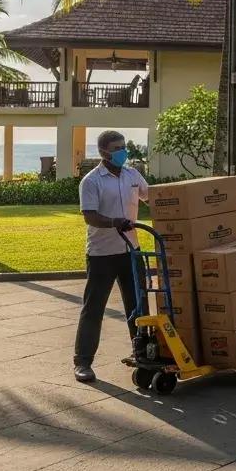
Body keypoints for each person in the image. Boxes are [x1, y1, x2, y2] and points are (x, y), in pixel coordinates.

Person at [74, 130, 149, 383]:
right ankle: (83, 362)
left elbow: (153, 198)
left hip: (131, 251)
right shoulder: (92, 181)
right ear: (103, 152)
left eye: (124, 147)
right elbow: (90, 216)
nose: (122, 152)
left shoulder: (132, 175)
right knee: (94, 308)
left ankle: (142, 352)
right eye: (117, 148)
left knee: (138, 305)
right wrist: (115, 222)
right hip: (102, 254)